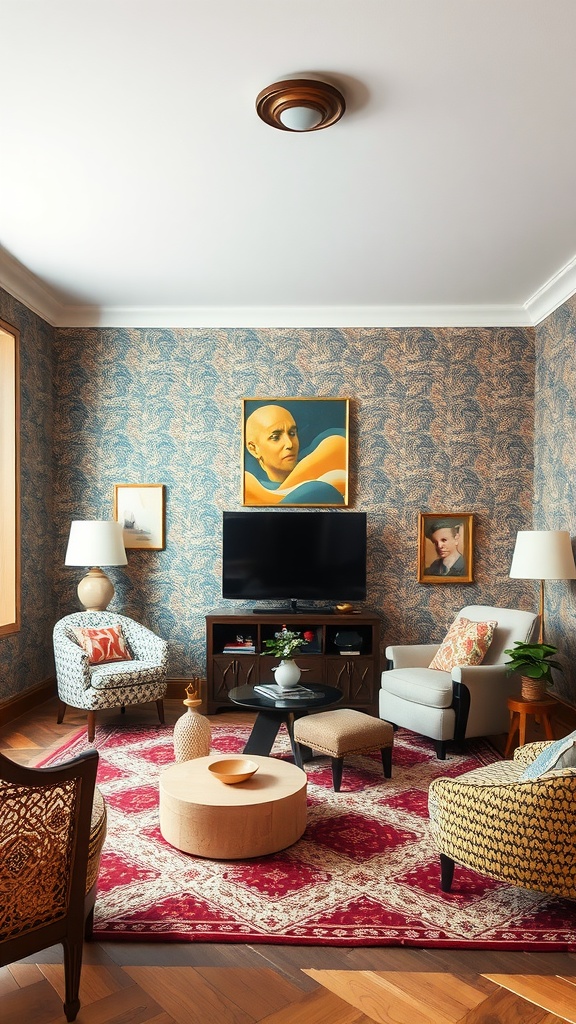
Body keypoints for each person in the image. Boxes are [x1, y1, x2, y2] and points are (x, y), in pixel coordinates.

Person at [244, 403, 347, 506]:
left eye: (292, 433)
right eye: (275, 437)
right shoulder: (249, 488)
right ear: (254, 449)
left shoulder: (324, 458)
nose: (290, 444)